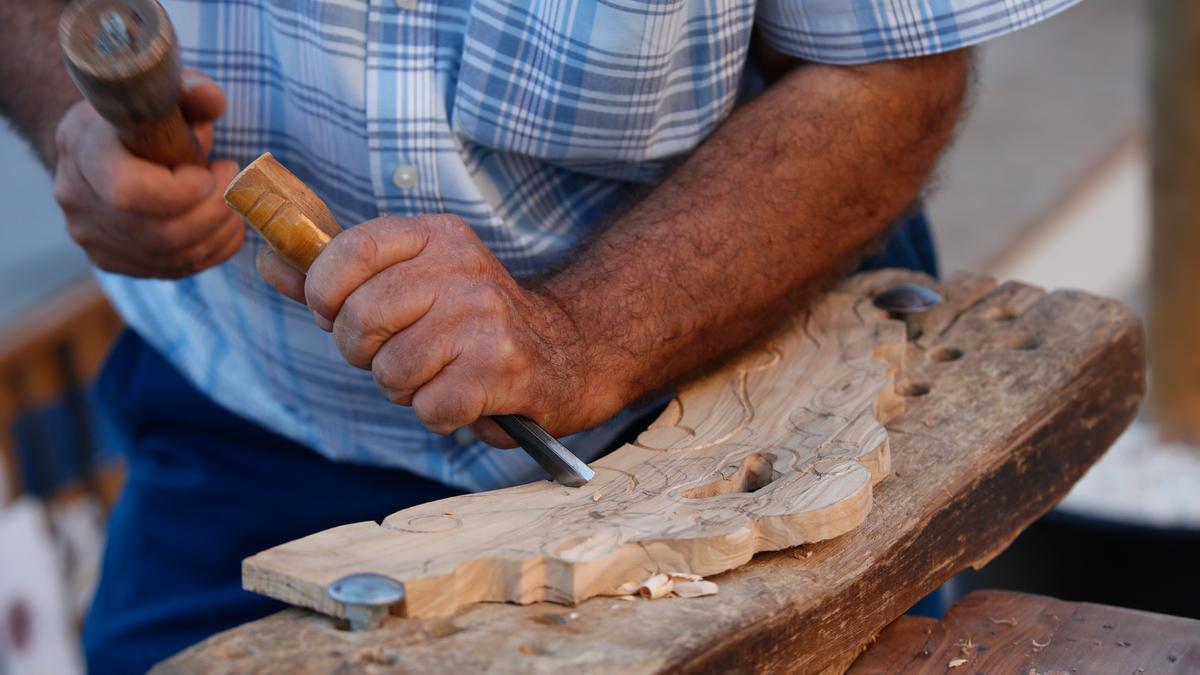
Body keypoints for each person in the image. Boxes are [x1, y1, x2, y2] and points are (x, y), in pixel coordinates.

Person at [0, 0, 1079, 671]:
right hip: (247, 433)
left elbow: (888, 68)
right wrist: (69, 117)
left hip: (728, 443)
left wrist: (580, 332)